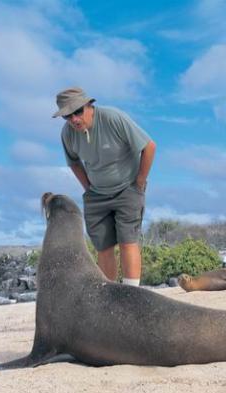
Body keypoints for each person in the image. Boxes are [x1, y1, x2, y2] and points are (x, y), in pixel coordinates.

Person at [53, 87, 156, 286]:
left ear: (89, 106)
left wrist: (140, 182)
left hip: (128, 188)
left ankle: (131, 296)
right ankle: (108, 297)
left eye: (77, 112)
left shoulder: (113, 118)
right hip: (97, 195)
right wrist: (88, 188)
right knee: (103, 246)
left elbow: (149, 146)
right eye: (67, 116)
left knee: (128, 241)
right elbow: (73, 162)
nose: (74, 119)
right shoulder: (68, 133)